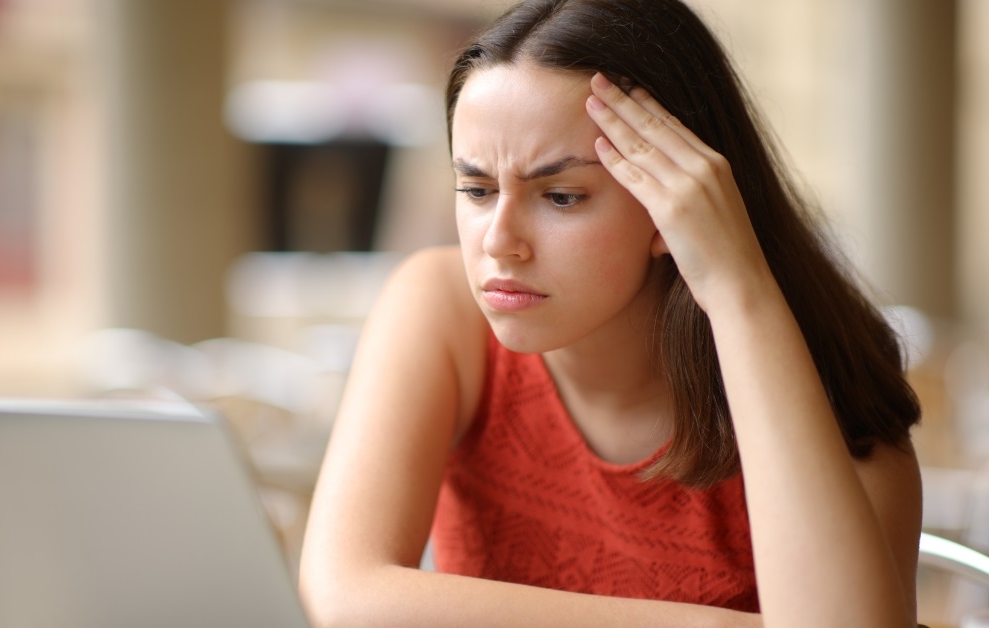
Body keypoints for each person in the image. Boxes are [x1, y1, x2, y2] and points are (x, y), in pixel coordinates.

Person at [298, 0, 923, 625]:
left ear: (674, 204)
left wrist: (738, 289)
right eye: (478, 190)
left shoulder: (832, 401)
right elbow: (346, 597)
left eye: (562, 196)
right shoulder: (441, 308)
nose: (498, 241)